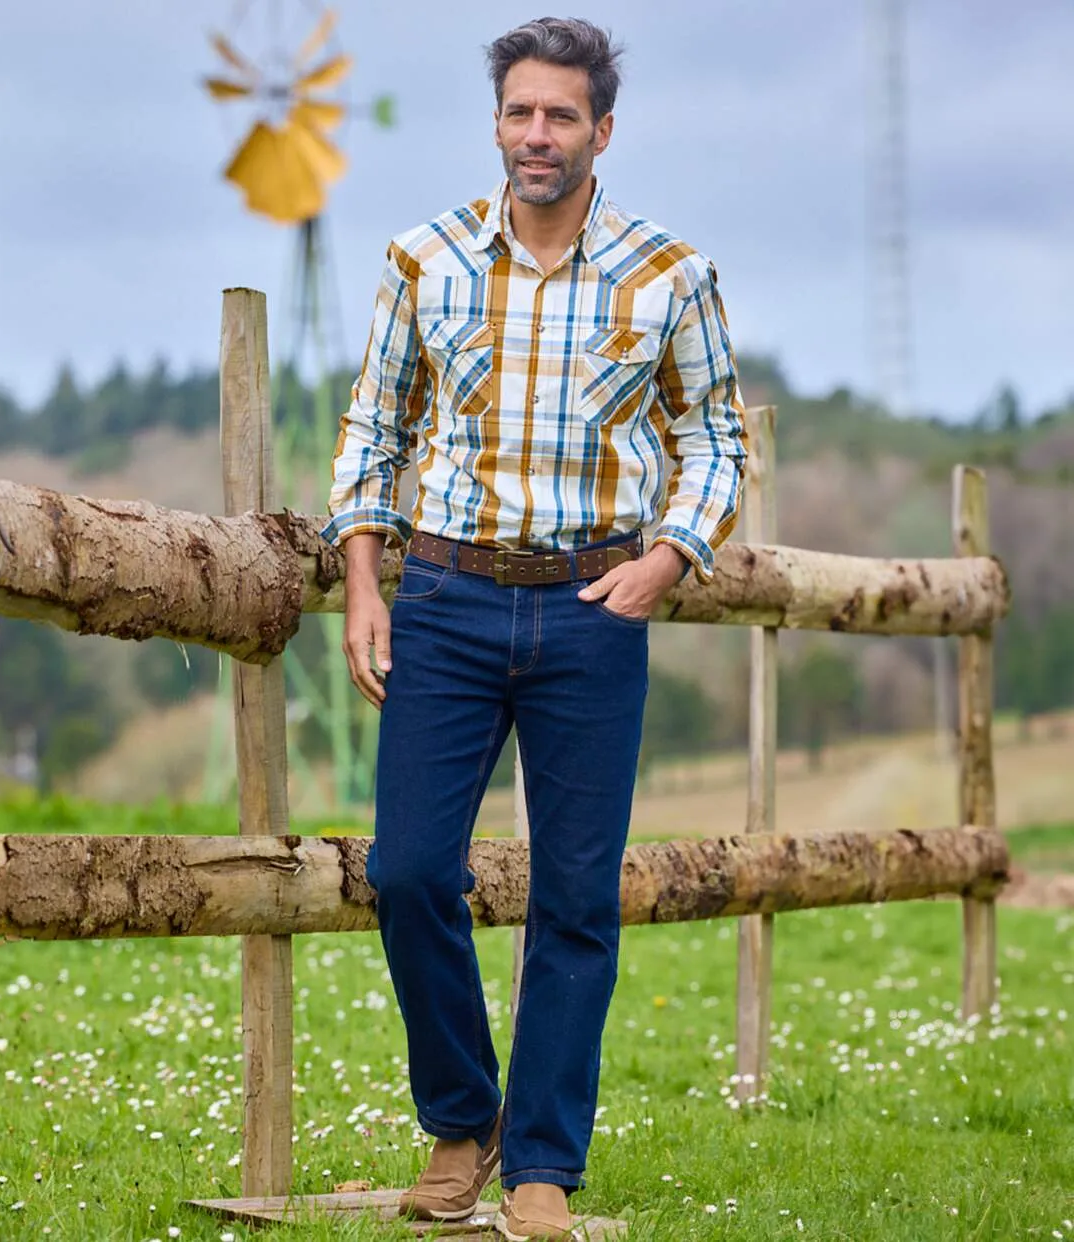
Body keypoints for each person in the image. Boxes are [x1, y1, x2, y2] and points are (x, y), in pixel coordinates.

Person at [322, 17, 748, 1241]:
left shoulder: (670, 274)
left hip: (593, 608)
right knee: (407, 871)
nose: (537, 135)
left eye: (561, 116)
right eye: (520, 113)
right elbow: (374, 428)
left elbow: (715, 435)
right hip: (446, 600)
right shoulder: (425, 258)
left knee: (573, 898)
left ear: (601, 132)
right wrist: (363, 582)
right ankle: (464, 1121)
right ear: (498, 121)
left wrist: (670, 557)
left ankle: (541, 1168)